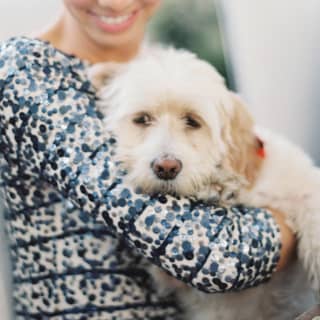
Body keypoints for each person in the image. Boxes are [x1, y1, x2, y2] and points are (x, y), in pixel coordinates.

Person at [0, 0, 295, 319]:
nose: (114, 2)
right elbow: (212, 257)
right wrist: (293, 222)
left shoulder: (162, 72)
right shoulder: (28, 72)